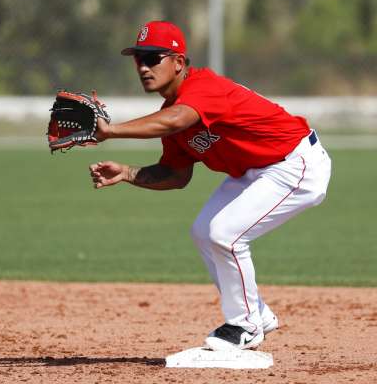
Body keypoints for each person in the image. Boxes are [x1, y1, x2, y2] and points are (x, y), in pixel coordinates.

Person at [89, 21, 331, 351]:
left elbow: (178, 120)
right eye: (138, 59)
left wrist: (111, 131)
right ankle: (257, 313)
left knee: (225, 234)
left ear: (178, 61)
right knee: (204, 231)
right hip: (256, 170)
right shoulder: (171, 112)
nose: (144, 66)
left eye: (153, 57)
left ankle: (244, 326)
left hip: (296, 163)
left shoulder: (203, 88)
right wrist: (128, 173)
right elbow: (176, 174)